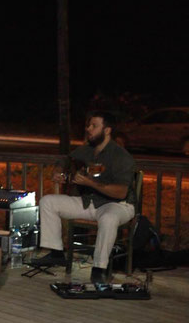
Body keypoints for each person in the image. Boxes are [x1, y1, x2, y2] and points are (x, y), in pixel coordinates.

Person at [32, 111, 136, 283]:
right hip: (90, 202)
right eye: (88, 125)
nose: (88, 129)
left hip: (117, 205)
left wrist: (91, 183)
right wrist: (59, 171)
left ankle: (99, 269)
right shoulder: (87, 150)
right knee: (48, 201)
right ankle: (56, 252)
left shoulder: (120, 156)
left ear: (107, 130)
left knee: (109, 218)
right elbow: (65, 160)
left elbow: (121, 192)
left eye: (94, 126)